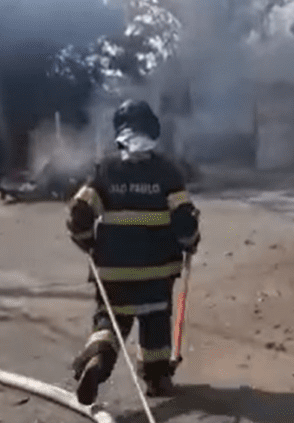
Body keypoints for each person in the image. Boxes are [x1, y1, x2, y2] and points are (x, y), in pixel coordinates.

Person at [66, 99, 201, 405]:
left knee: (111, 321)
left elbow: (79, 212)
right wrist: (190, 241)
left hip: (113, 271)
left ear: (119, 132)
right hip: (158, 271)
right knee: (155, 321)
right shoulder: (168, 171)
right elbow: (183, 219)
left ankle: (97, 362)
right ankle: (157, 378)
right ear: (153, 129)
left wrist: (86, 240)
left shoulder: (107, 169)